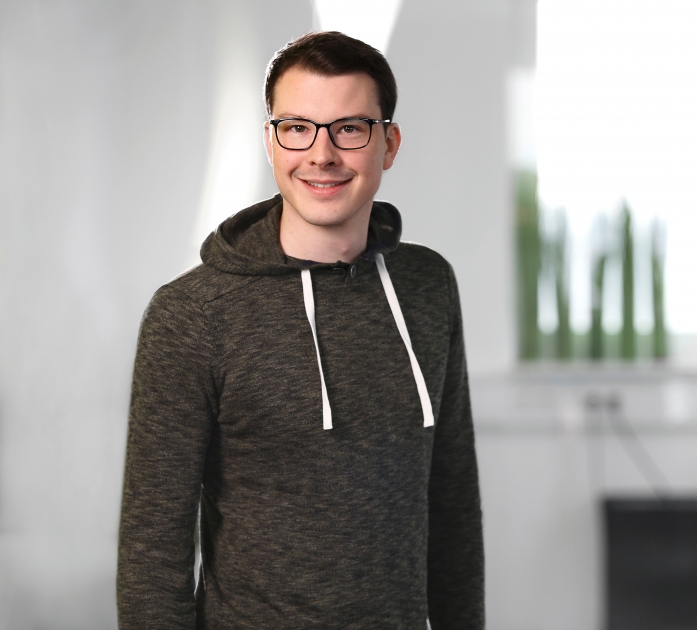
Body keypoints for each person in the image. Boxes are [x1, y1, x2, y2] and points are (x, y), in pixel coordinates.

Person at [117, 31, 484, 629]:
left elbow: (453, 503)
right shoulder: (193, 314)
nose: (321, 154)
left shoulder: (428, 287)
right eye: (297, 128)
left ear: (389, 144)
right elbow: (152, 553)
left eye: (349, 128)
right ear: (271, 141)